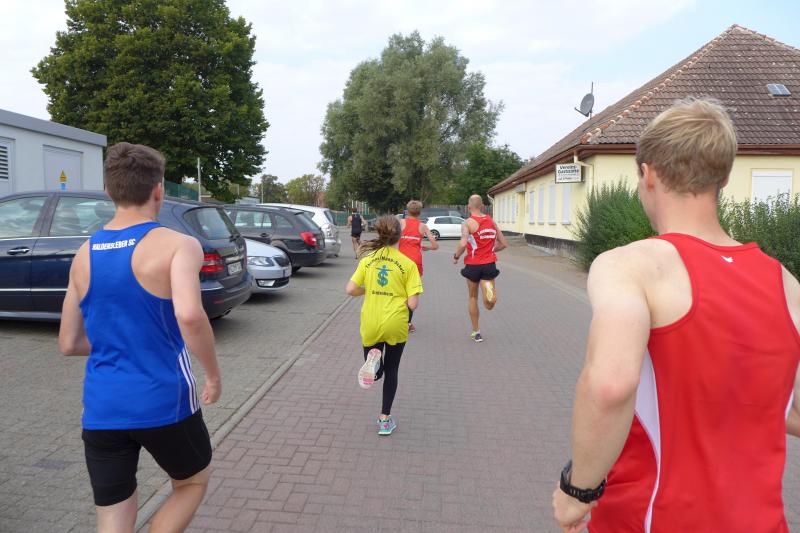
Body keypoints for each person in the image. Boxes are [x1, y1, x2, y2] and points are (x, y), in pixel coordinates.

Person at [552, 98, 800, 532]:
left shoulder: (630, 266)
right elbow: (782, 405)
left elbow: (610, 385)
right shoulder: (785, 283)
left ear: (647, 174)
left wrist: (578, 492)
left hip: (653, 518)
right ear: (724, 177)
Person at [58, 142, 222, 533]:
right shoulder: (179, 245)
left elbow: (68, 342)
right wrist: (214, 376)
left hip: (102, 408)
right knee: (192, 481)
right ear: (159, 190)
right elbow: (189, 314)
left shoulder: (83, 254)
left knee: (112, 514)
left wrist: (117, 343)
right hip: (164, 399)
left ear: (108, 191)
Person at [346, 215, 423, 435]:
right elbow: (413, 303)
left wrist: (368, 290)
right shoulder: (408, 264)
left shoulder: (368, 260)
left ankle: (373, 365)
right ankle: (384, 420)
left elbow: (350, 289)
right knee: (392, 369)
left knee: (375, 370)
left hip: (371, 320)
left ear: (379, 233)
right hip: (396, 322)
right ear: (400, 235)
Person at [453, 194, 508, 342]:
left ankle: (476, 332)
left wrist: (456, 256)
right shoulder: (491, 221)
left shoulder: (467, 223)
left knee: (472, 297)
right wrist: (490, 250)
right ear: (482, 206)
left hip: (473, 265)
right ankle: (490, 294)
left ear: (468, 207)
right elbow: (504, 244)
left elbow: (463, 243)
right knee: (489, 304)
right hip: (489, 264)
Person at [399, 200, 439, 333]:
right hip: (415, 263)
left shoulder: (401, 223)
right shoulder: (423, 226)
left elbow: (390, 239)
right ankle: (408, 323)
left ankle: (397, 320)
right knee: (412, 293)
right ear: (419, 212)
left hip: (400, 262)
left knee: (399, 291)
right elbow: (435, 245)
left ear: (407, 211)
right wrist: (426, 247)